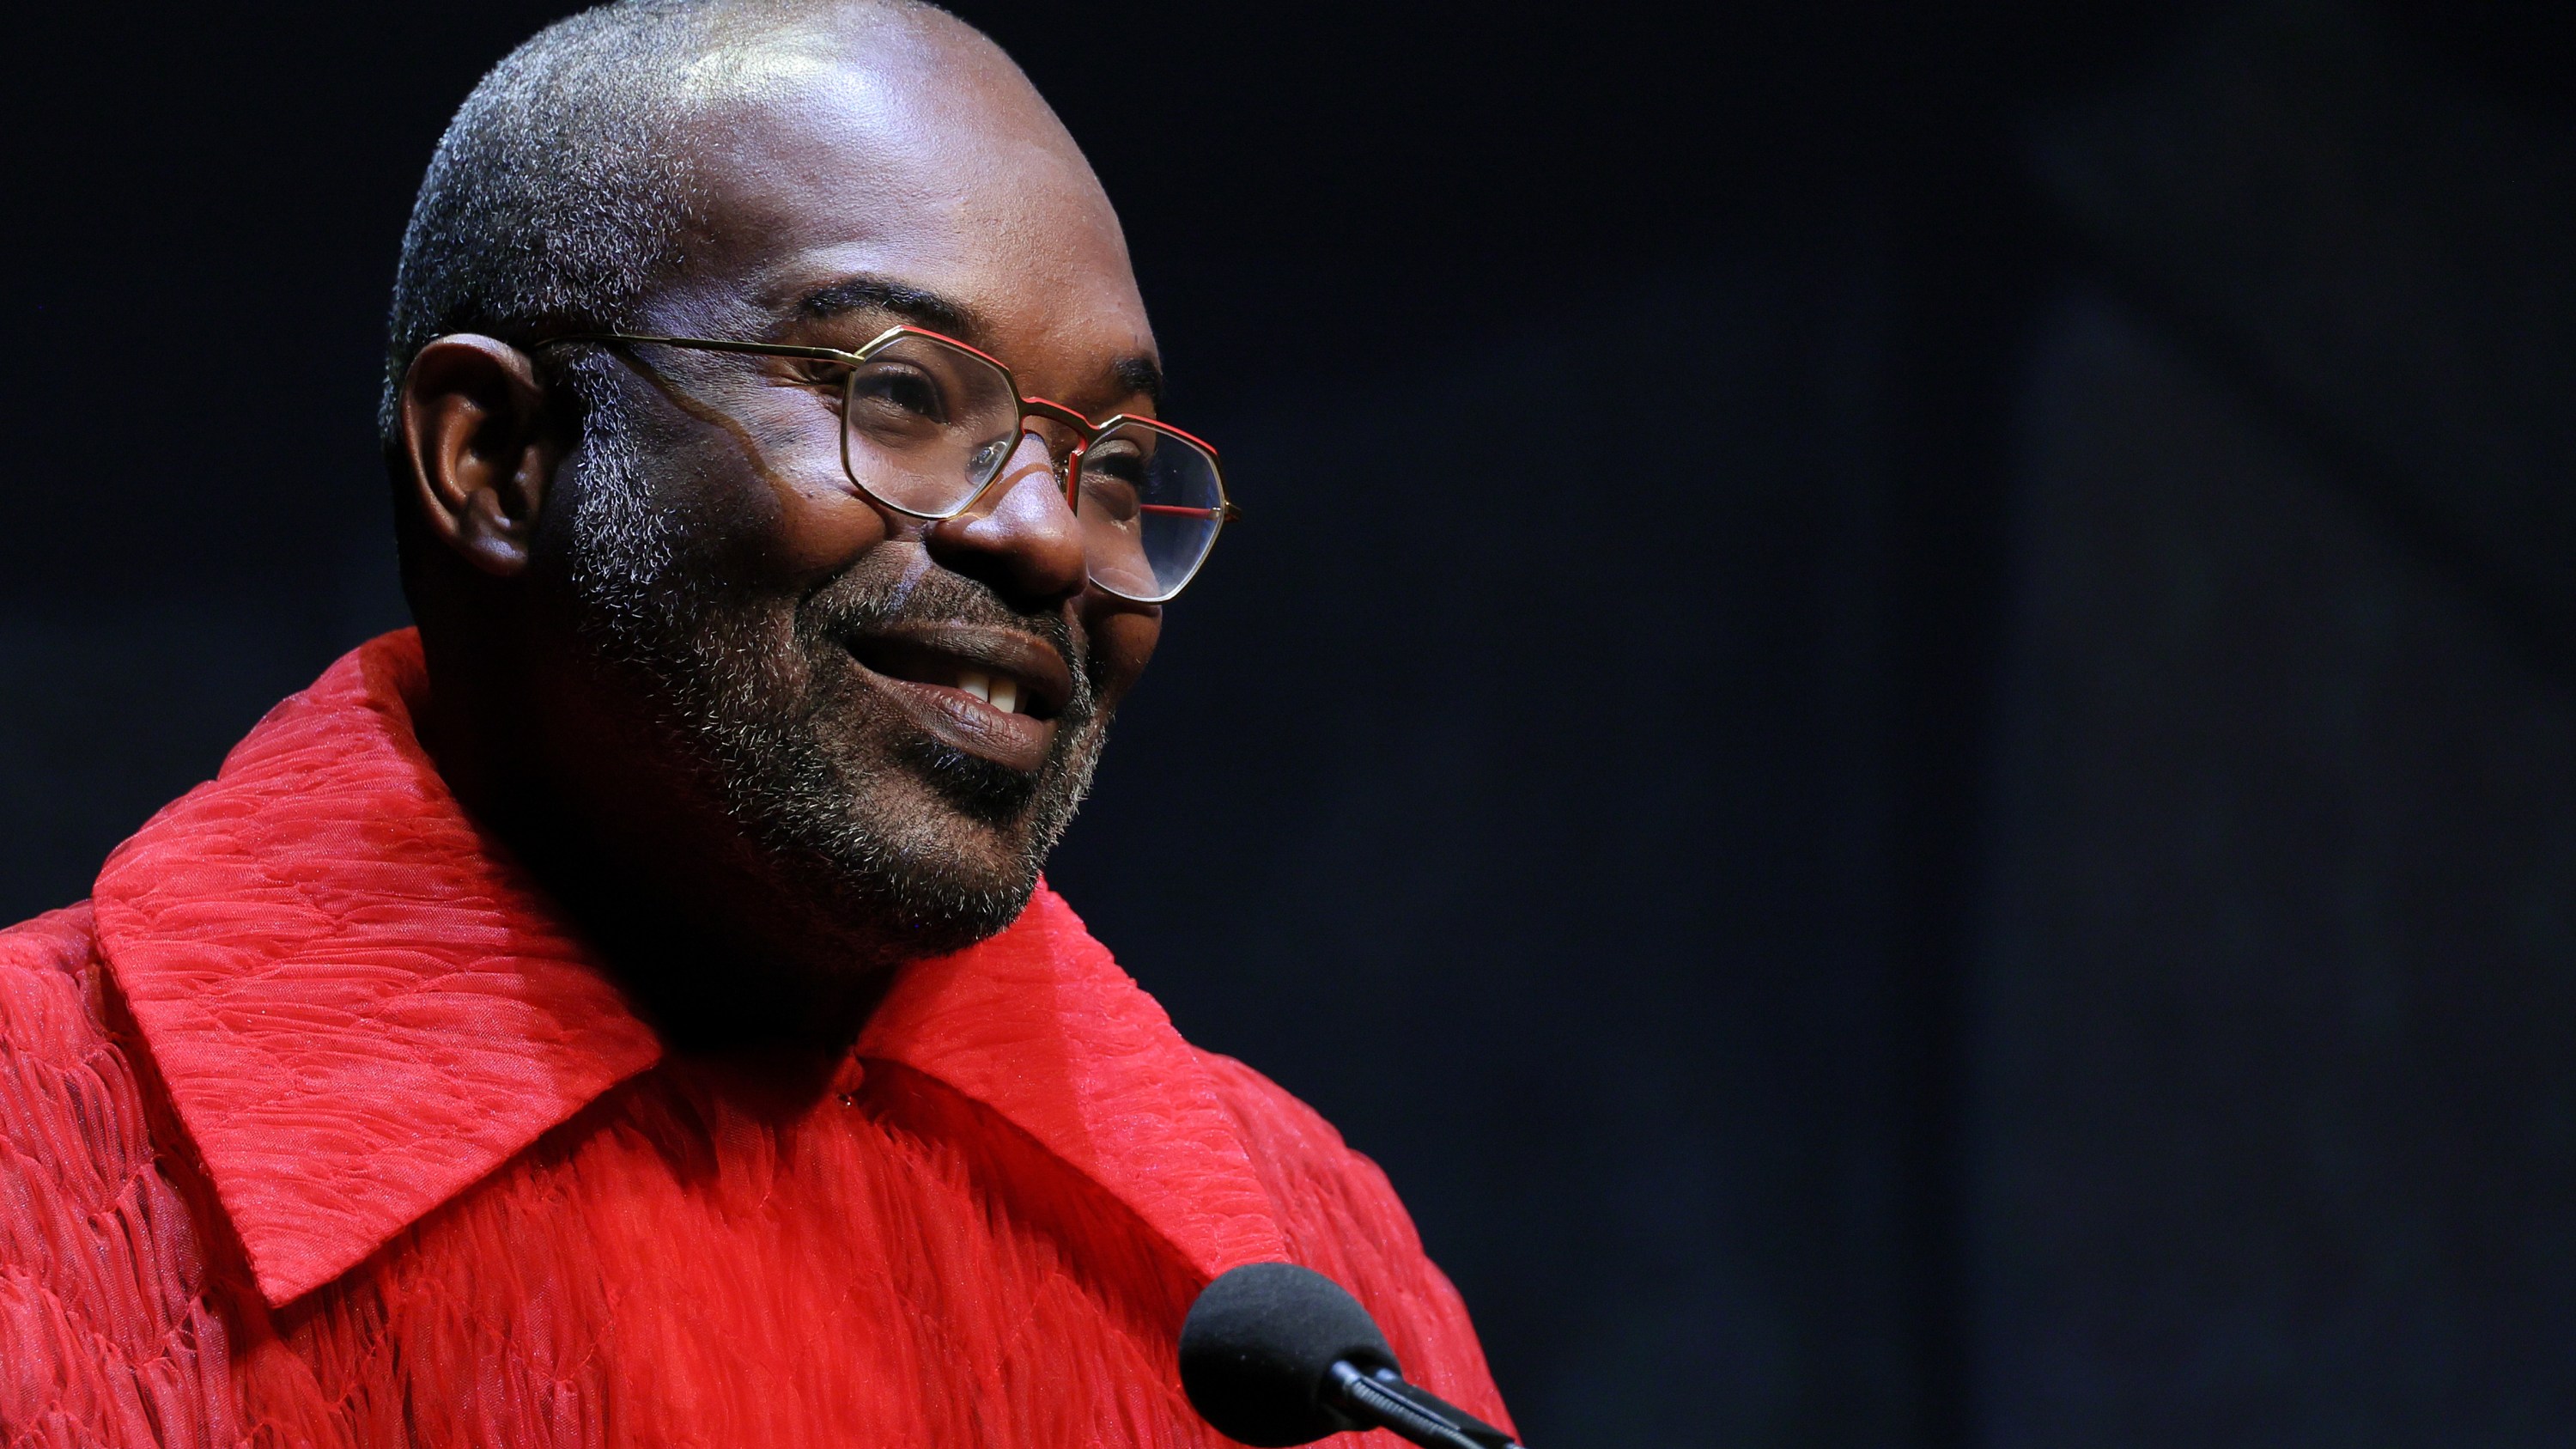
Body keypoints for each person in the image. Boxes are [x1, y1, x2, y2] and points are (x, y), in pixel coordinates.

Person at [0, 2, 1510, 1443]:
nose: (1053, 542)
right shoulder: (44, 1157)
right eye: (903, 390)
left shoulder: (1310, 1266)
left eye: (1112, 469)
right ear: (499, 460)